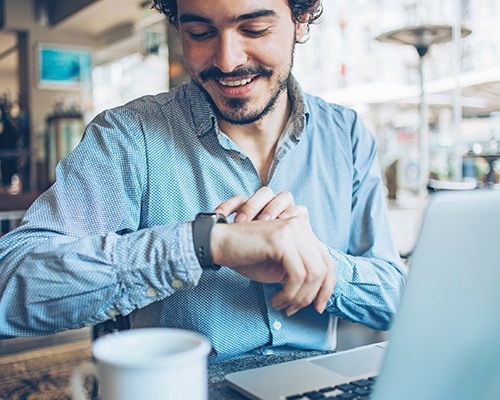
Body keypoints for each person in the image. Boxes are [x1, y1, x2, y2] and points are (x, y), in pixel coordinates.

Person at [0, 0, 405, 362]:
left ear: (300, 19)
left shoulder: (347, 133)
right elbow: (11, 285)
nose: (227, 61)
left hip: (315, 385)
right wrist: (205, 244)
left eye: (254, 29)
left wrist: (313, 262)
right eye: (200, 33)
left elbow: (394, 298)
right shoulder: (127, 136)